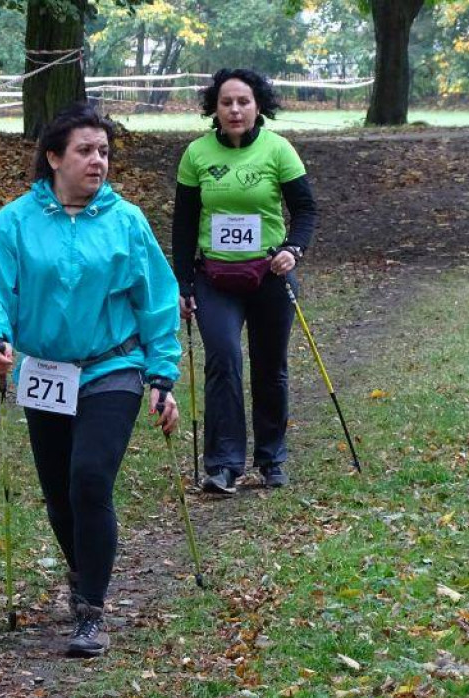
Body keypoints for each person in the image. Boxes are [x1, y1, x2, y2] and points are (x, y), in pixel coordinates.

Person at [0, 103, 182, 658]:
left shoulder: (126, 221)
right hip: (47, 373)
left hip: (113, 367)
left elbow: (156, 300)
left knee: (89, 479)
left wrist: (162, 373)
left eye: (104, 151)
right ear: (54, 157)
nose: (98, 161)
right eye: (85, 150)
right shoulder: (16, 220)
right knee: (60, 496)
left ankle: (90, 609)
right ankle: (84, 572)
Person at [172, 68, 318, 495]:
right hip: (214, 277)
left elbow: (305, 210)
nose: (235, 110)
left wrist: (293, 249)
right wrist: (183, 283)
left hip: (270, 275)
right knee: (224, 359)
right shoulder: (196, 155)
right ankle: (222, 464)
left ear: (259, 106)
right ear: (213, 109)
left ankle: (272, 458)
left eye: (243, 102)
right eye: (226, 103)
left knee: (271, 368)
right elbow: (183, 226)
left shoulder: (279, 150)